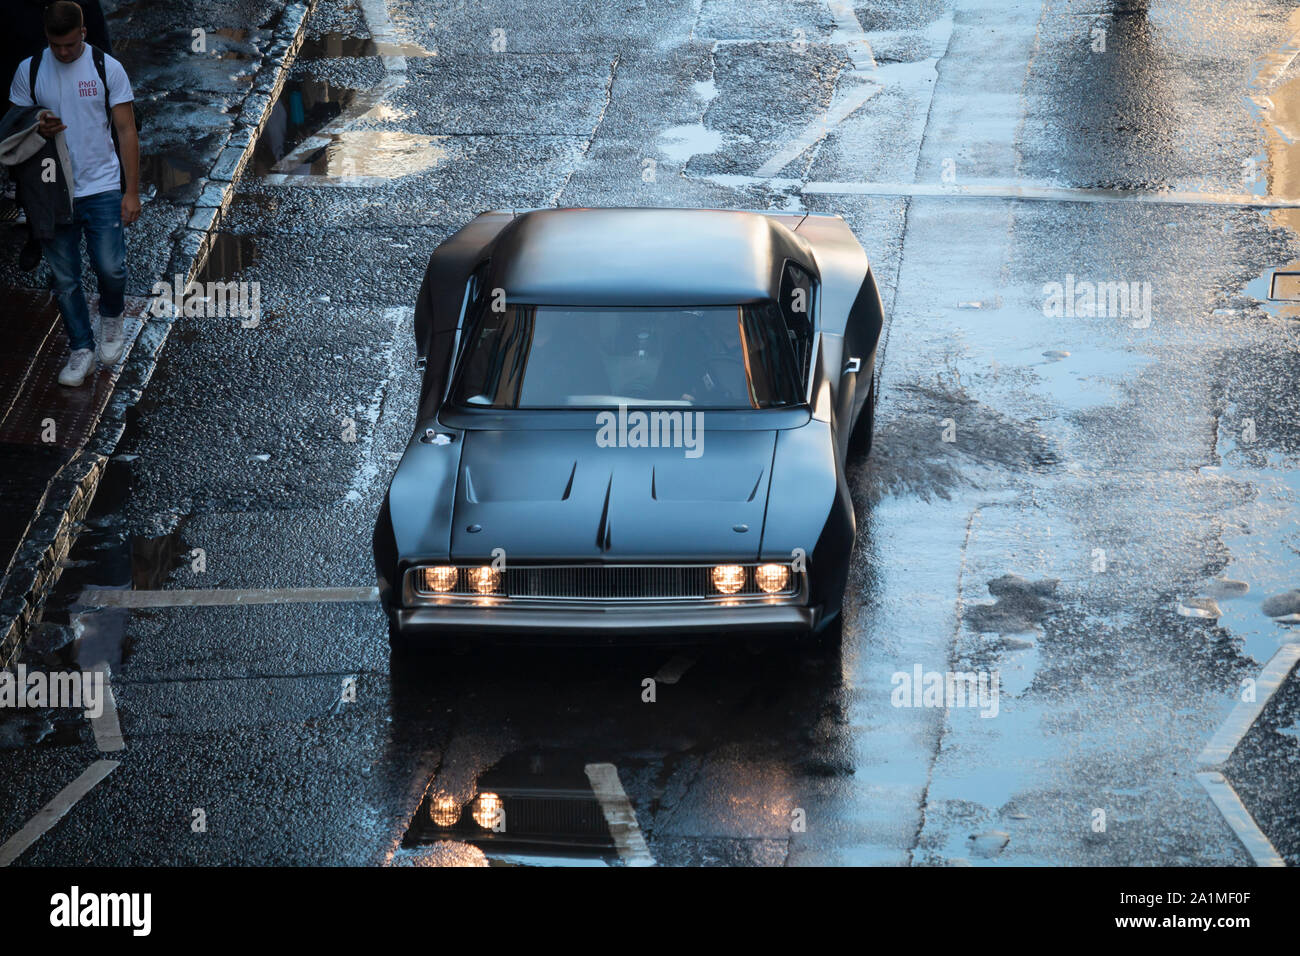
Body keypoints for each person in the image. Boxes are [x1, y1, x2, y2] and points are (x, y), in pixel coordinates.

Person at [8, 1, 138, 386]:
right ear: (46, 38)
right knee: (65, 280)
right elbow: (14, 125)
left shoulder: (106, 68)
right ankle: (81, 348)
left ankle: (111, 317)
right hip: (50, 192)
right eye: (55, 45)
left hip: (100, 186)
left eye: (69, 44)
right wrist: (36, 124)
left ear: (83, 32)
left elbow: (127, 131)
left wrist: (131, 192)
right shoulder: (29, 71)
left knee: (110, 268)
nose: (63, 53)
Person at [2, 0, 113, 270]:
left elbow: (101, 45)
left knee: (73, 167)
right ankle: (37, 230)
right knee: (31, 170)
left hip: (75, 96)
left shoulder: (82, 5)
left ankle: (74, 238)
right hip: (28, 94)